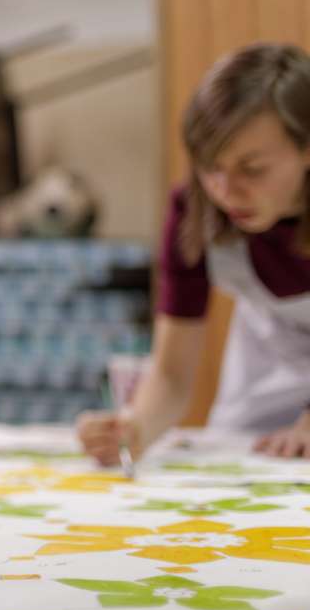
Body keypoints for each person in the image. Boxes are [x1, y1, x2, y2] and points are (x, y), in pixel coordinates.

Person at [78, 43, 310, 464]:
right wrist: (135, 428)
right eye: (210, 167)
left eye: (252, 169)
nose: (225, 191)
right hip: (262, 400)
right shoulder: (194, 212)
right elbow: (171, 373)